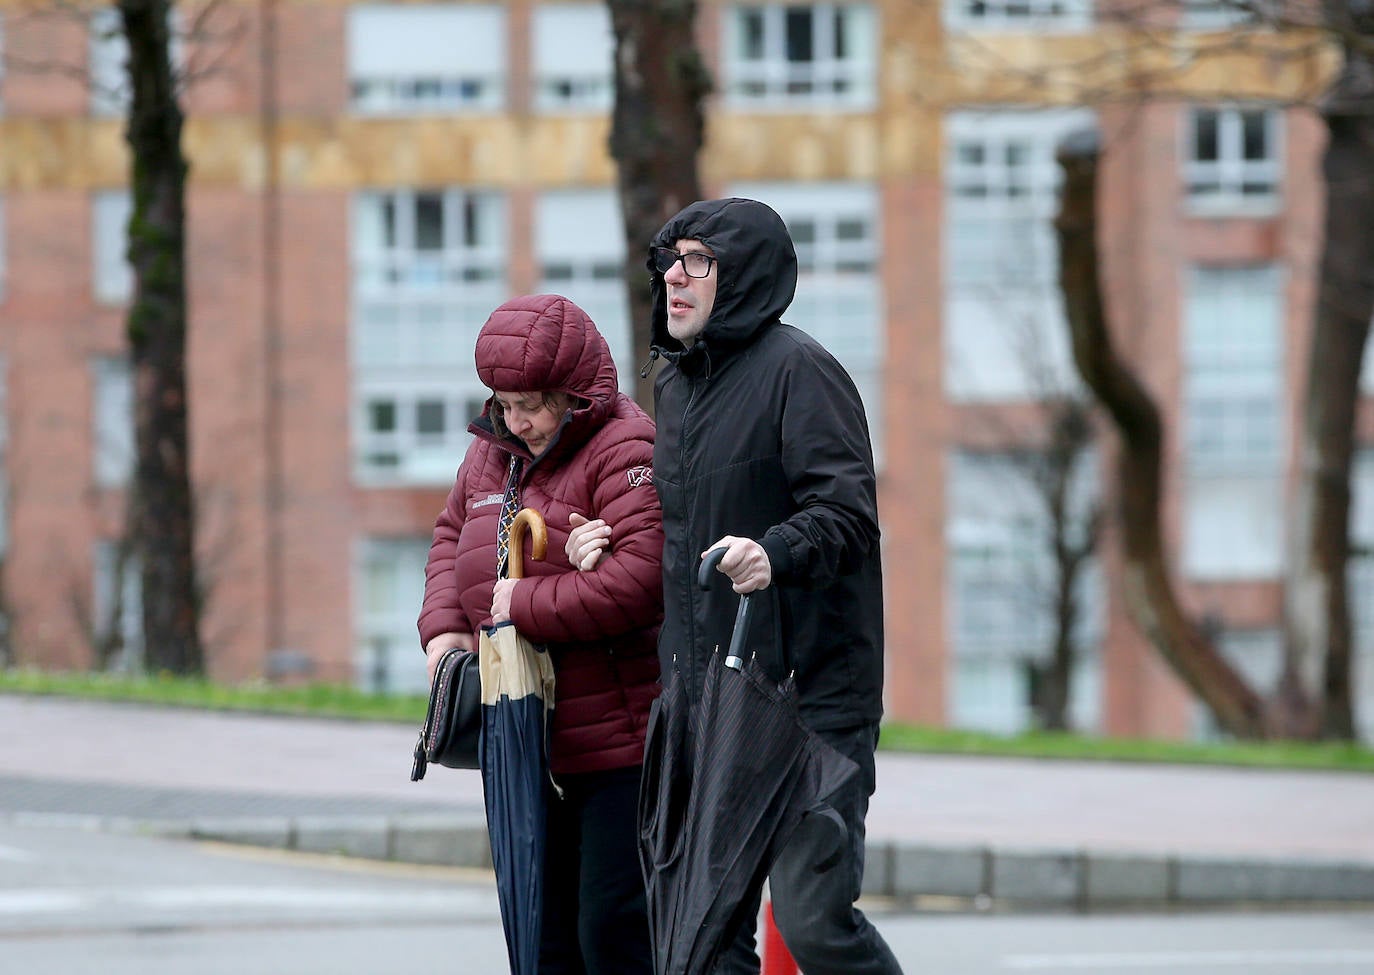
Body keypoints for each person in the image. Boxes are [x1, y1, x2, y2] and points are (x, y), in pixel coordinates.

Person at [566, 199, 903, 975]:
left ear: (743, 275)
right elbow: (689, 523)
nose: (675, 278)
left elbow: (847, 511)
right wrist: (614, 537)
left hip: (810, 699)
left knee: (813, 920)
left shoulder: (800, 370)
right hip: (710, 702)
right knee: (703, 943)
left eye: (698, 261)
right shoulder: (679, 391)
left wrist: (774, 552)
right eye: (670, 261)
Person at [419, 293, 662, 975]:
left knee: (610, 934)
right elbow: (449, 539)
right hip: (521, 734)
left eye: (532, 403)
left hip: (616, 747)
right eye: (502, 402)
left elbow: (641, 581)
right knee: (540, 937)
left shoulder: (626, 446)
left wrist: (521, 599)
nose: (516, 420)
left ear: (575, 395)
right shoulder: (490, 452)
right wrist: (443, 631)